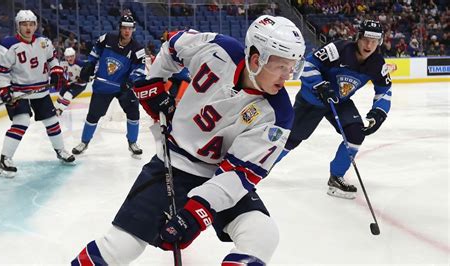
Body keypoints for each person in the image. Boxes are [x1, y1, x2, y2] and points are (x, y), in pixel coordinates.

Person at [71, 15, 305, 265]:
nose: (288, 75)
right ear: (257, 60)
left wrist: (198, 211)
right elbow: (174, 45)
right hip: (170, 165)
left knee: (262, 234)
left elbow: (240, 174)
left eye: (292, 67)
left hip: (218, 176)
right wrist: (154, 83)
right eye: (281, 66)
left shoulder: (278, 114)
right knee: (121, 246)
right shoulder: (219, 49)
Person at [282, 20, 392, 199]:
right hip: (313, 100)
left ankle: (336, 177)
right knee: (291, 139)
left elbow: (384, 90)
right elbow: (307, 65)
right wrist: (320, 85)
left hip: (339, 101)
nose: (369, 45)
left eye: (374, 40)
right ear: (358, 37)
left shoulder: (377, 64)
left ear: (379, 42)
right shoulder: (338, 49)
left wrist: (379, 113)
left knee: (356, 133)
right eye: (366, 39)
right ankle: (259, 167)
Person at [0, 9, 75, 178]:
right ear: (18, 26)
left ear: (36, 25)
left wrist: (57, 70)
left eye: (31, 24)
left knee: (52, 121)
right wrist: (4, 88)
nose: (28, 28)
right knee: (21, 122)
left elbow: (52, 59)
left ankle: (60, 151)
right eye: (24, 24)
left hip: (41, 91)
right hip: (19, 92)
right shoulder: (8, 45)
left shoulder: (43, 42)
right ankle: (5, 159)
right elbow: (1, 71)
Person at [71, 15, 146, 158]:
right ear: (120, 28)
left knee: (133, 113)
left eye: (129, 28)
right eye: (124, 28)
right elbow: (95, 51)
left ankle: (132, 143)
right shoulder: (107, 39)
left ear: (133, 30)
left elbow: (140, 69)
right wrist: (90, 63)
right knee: (93, 115)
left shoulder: (138, 49)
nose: (126, 31)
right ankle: (84, 142)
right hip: (103, 86)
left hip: (124, 87)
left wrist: (131, 81)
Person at [54, 47, 87, 116]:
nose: (70, 58)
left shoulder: (81, 64)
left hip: (79, 85)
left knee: (67, 95)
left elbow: (88, 75)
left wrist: (83, 79)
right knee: (60, 95)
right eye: (68, 57)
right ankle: (55, 109)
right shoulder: (63, 63)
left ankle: (60, 110)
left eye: (72, 56)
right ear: (65, 57)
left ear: (75, 56)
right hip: (70, 81)